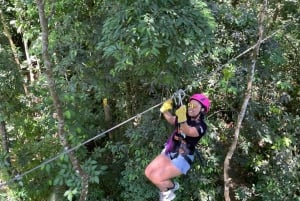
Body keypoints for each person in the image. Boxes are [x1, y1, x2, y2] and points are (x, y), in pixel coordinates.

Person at [145, 93, 210, 201]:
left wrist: (182, 119)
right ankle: (171, 187)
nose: (191, 107)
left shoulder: (202, 126)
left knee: (157, 177)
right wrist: (165, 109)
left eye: (194, 106)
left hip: (183, 158)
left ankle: (167, 193)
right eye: (190, 105)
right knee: (148, 172)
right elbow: (171, 119)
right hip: (171, 150)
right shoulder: (184, 118)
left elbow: (188, 131)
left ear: (202, 110)